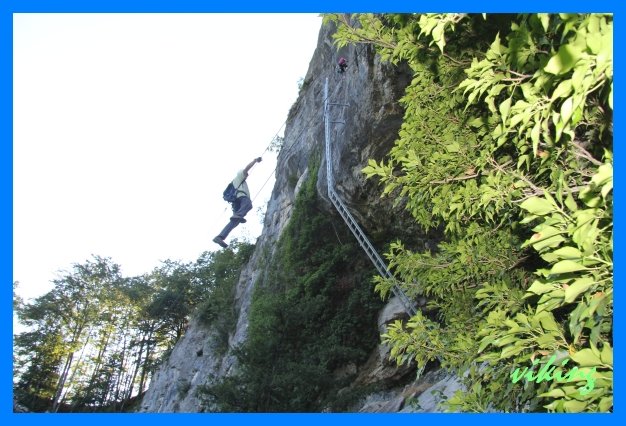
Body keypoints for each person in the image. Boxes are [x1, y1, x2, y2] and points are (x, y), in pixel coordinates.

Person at [213, 157, 262, 248]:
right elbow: (246, 168)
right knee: (248, 204)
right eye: (246, 175)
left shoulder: (236, 182)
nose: (247, 175)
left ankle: (220, 237)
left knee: (235, 222)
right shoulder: (239, 176)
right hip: (241, 197)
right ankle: (238, 215)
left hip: (236, 203)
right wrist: (255, 161)